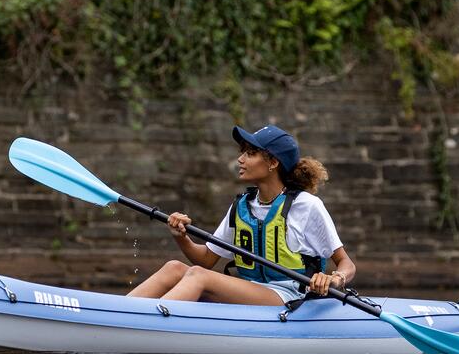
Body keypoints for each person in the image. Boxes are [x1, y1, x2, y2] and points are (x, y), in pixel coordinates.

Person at [127, 124, 356, 305]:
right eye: (243, 152)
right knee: (174, 268)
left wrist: (335, 278)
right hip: (250, 290)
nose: (241, 159)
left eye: (251, 153)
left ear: (273, 163)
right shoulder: (242, 206)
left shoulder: (307, 206)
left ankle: (147, 323)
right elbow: (206, 259)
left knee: (197, 276)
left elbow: (346, 263)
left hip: (288, 296)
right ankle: (119, 313)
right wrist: (181, 237)